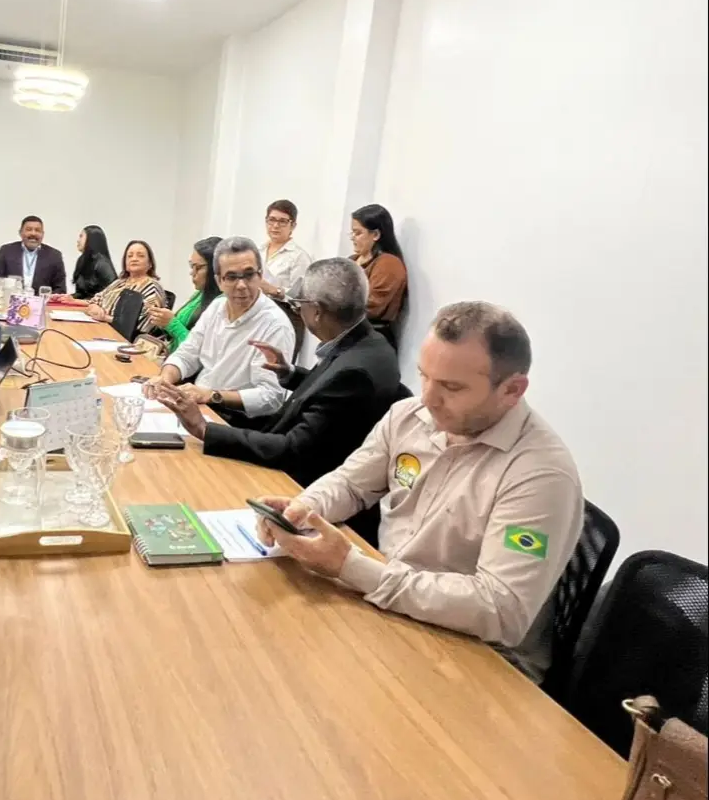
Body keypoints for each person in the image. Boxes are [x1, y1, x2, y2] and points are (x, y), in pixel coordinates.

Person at [253, 302, 582, 682]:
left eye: (451, 387)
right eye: (425, 376)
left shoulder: (541, 475)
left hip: (481, 659)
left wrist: (353, 568)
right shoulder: (409, 417)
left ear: (512, 389)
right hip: (394, 606)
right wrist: (306, 508)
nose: (428, 398)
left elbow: (500, 610)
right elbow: (350, 483)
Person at [155, 258, 400, 485]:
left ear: (316, 311)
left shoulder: (353, 373)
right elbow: (328, 388)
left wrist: (204, 429)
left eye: (300, 304)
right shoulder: (367, 344)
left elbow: (294, 449)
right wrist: (289, 374)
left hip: (295, 482)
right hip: (286, 451)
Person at [143, 237, 295, 420]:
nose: (241, 285)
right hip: (201, 406)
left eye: (249, 275)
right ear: (219, 281)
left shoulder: (275, 324)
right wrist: (165, 379)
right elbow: (187, 354)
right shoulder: (217, 307)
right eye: (231, 277)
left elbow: (271, 397)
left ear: (260, 276)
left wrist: (212, 395)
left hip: (236, 419)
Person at [145, 236, 222, 353]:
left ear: (214, 269)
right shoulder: (199, 294)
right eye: (192, 266)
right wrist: (162, 320)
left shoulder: (222, 304)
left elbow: (202, 353)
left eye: (198, 267)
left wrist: (172, 323)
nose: (192, 273)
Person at [257, 199, 312, 359]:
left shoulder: (299, 257)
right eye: (272, 220)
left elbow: (302, 297)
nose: (275, 226)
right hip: (258, 314)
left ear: (292, 225)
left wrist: (274, 290)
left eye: (282, 221)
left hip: (286, 318)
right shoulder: (258, 251)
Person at [350, 203, 407, 348]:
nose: (353, 238)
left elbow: (372, 306)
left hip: (369, 338)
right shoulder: (351, 260)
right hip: (347, 333)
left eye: (358, 233)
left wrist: (338, 307)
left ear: (375, 234)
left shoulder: (389, 263)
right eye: (352, 233)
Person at [84, 239, 167, 335]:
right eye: (130, 256)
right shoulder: (119, 282)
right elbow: (96, 300)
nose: (134, 259)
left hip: (128, 338)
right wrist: (94, 307)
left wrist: (105, 318)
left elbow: (144, 325)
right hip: (103, 329)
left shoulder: (152, 287)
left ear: (150, 264)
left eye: (140, 256)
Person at [0, 215, 67, 293]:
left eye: (37, 230)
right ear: (20, 232)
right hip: (11, 300)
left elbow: (60, 289)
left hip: (42, 300)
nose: (33, 233)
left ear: (42, 234)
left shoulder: (54, 256)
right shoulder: (6, 251)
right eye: (29, 229)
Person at [68, 224, 116, 301]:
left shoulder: (102, 264)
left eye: (81, 236)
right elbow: (81, 293)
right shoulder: (81, 260)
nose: (78, 240)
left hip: (99, 306)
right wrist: (68, 297)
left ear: (91, 239)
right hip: (84, 305)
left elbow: (112, 293)